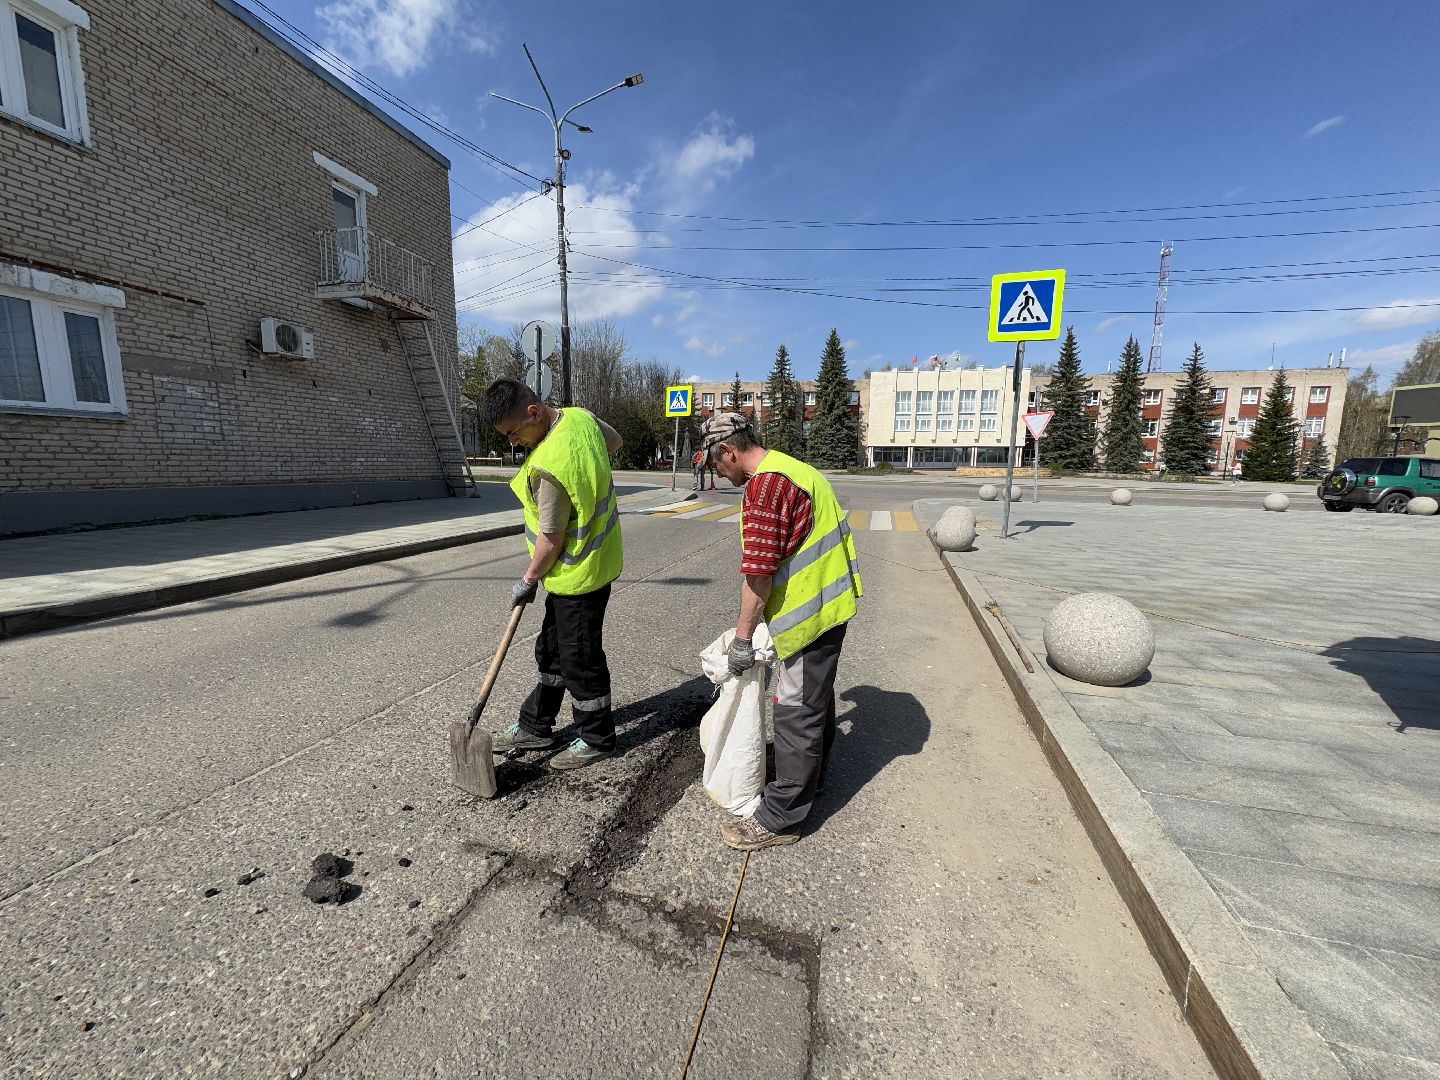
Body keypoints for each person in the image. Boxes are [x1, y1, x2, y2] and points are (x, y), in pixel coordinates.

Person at [700, 412, 863, 851]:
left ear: (729, 451)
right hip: (828, 603)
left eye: (717, 464)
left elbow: (759, 575)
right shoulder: (793, 468)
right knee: (814, 697)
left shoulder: (766, 487)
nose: (718, 472)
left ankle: (780, 817)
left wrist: (741, 639)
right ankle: (810, 775)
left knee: (795, 710)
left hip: (809, 614)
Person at [481, 379, 624, 771]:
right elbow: (614, 443)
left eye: (513, 432)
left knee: (580, 658)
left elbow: (550, 539)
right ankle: (536, 726)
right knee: (552, 650)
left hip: (578, 574)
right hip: (588, 567)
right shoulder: (580, 418)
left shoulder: (548, 468)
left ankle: (598, 737)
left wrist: (528, 579)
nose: (512, 442)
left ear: (533, 412)